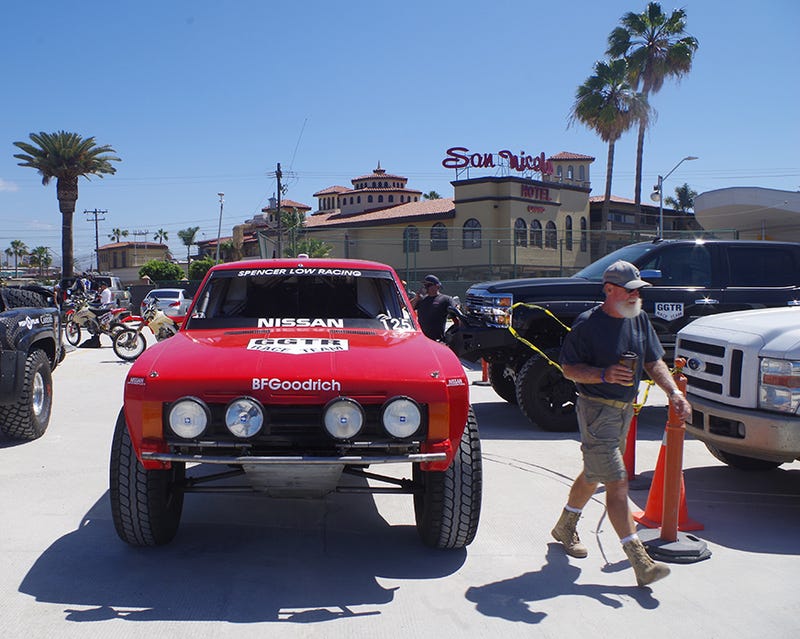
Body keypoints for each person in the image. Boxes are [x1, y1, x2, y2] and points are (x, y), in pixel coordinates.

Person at [551, 260, 692, 587]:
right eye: (629, 291)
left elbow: (653, 360)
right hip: (596, 411)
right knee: (617, 483)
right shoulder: (587, 325)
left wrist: (673, 392)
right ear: (609, 290)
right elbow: (568, 369)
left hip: (623, 410)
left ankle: (564, 525)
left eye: (638, 291)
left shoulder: (639, 319)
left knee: (595, 472)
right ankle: (640, 561)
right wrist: (603, 374)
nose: (635, 296)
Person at [410, 274, 455, 341]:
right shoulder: (422, 299)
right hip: (422, 338)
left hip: (437, 339)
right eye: (424, 285)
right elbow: (409, 309)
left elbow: (454, 315)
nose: (425, 287)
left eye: (428, 285)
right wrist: (416, 298)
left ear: (437, 286)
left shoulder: (445, 299)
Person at [80, 282, 114, 348]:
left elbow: (98, 297)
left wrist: (98, 292)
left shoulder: (105, 291)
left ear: (104, 286)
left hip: (104, 306)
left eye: (102, 286)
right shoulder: (108, 291)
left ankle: (97, 326)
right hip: (106, 305)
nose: (101, 287)